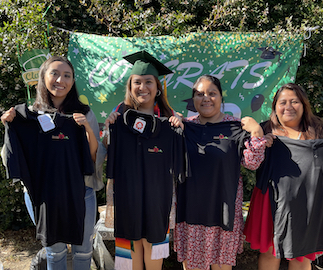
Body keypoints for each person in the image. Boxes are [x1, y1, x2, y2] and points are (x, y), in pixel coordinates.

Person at [1, 56, 103, 270]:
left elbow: (95, 156)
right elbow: (10, 156)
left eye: (67, 75)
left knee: (83, 252)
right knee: (54, 253)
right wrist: (10, 127)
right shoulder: (28, 116)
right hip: (44, 193)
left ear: (73, 81)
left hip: (81, 191)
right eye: (54, 73)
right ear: (43, 77)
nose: (60, 80)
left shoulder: (83, 114)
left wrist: (87, 129)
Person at [174, 74, 267, 270]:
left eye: (212, 93)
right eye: (199, 94)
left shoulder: (236, 127)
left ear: (221, 98)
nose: (206, 98)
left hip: (223, 212)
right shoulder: (184, 126)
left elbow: (252, 163)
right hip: (191, 211)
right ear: (193, 100)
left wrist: (257, 132)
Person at [244, 83, 323, 270]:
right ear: (275, 107)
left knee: (302, 255)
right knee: (271, 252)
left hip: (309, 202)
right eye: (283, 102)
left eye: (294, 101)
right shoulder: (264, 130)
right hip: (270, 201)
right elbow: (248, 161)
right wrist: (260, 140)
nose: (288, 107)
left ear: (304, 105)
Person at [103, 50, 185, 270]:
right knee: (131, 243)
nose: (143, 87)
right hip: (127, 191)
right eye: (137, 82)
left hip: (158, 192)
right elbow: (106, 148)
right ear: (130, 87)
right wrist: (109, 128)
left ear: (158, 87)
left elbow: (180, 157)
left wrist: (178, 130)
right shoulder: (120, 114)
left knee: (152, 242)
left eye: (148, 82)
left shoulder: (169, 118)